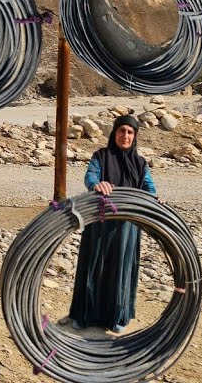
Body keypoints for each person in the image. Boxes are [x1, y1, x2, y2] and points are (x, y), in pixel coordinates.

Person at [66, 114, 160, 333]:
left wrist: (155, 198)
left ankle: (116, 317)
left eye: (130, 132)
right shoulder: (101, 156)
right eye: (121, 131)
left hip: (127, 227)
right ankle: (83, 315)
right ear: (114, 133)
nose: (125, 135)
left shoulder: (140, 163)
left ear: (134, 136)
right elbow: (90, 177)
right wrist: (97, 185)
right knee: (93, 265)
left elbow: (149, 188)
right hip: (99, 222)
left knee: (121, 269)